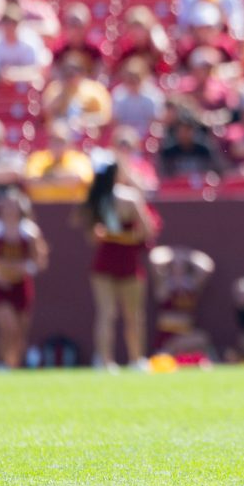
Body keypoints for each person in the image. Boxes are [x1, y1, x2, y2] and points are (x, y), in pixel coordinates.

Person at [78, 152, 160, 371]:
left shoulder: (96, 199)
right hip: (128, 260)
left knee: (106, 315)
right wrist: (127, 237)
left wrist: (112, 235)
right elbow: (148, 231)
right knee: (133, 316)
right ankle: (136, 360)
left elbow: (92, 237)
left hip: (105, 261)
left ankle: (104, 361)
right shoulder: (130, 197)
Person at [0, 187, 49, 369]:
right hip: (0, 285)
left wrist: (23, 268)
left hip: (21, 284)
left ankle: (13, 366)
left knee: (20, 332)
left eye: (14, 206)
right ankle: (1, 363)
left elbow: (40, 260)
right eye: (7, 206)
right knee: (8, 327)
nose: (10, 210)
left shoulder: (29, 231)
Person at [147, 245, 215, 356]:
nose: (178, 267)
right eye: (175, 264)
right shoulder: (165, 286)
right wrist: (172, 254)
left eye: (181, 265)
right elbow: (154, 259)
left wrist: (188, 255)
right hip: (167, 338)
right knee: (198, 339)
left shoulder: (191, 286)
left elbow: (207, 267)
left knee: (201, 338)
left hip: (187, 333)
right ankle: (165, 354)